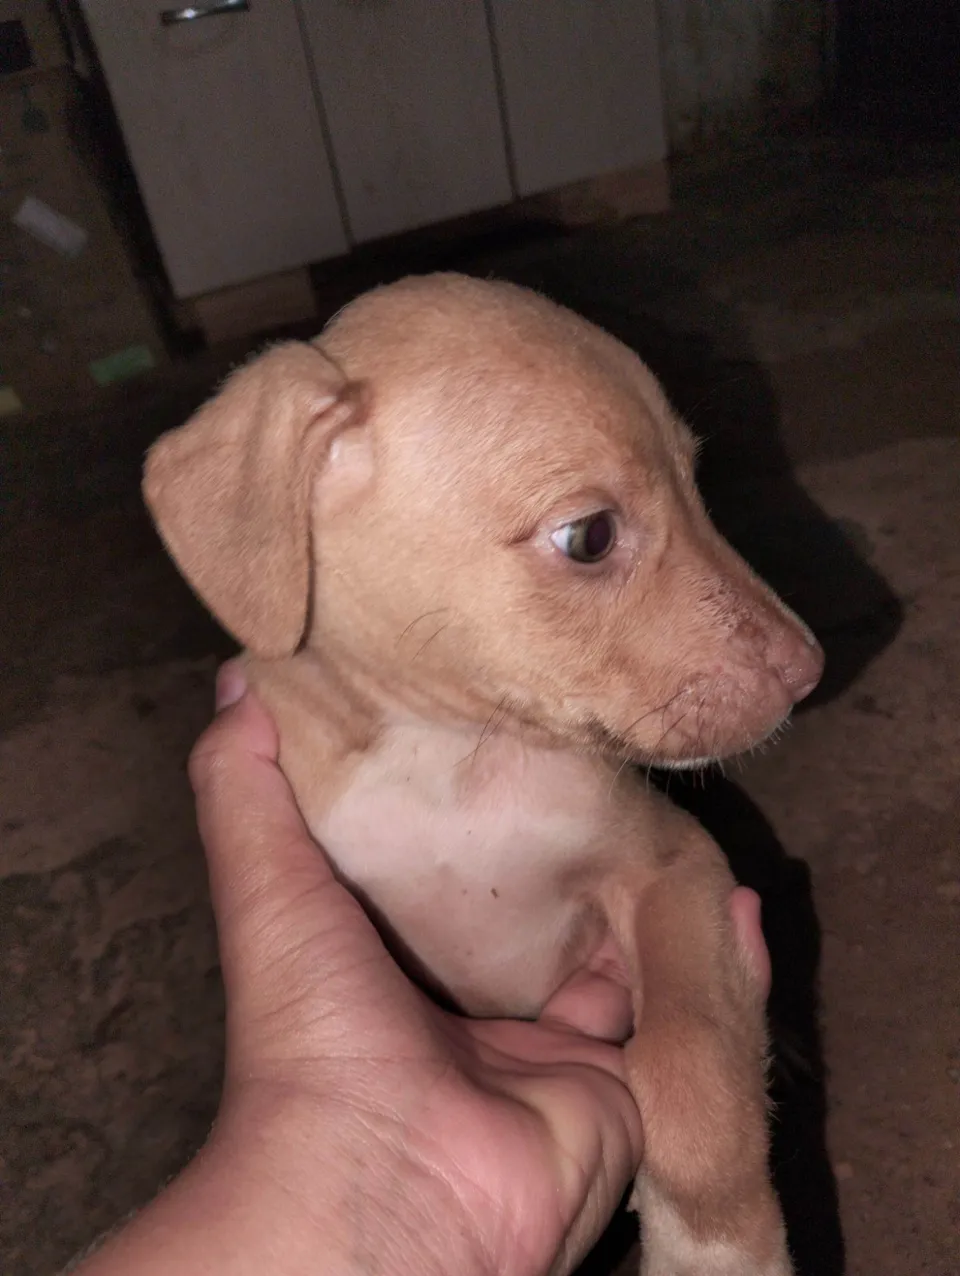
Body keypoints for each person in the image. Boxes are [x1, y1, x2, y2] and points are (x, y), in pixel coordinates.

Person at [74, 663, 770, 1276]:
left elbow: (669, 870)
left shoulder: (544, 734)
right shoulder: (301, 755)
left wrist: (707, 1168)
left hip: (566, 1020)